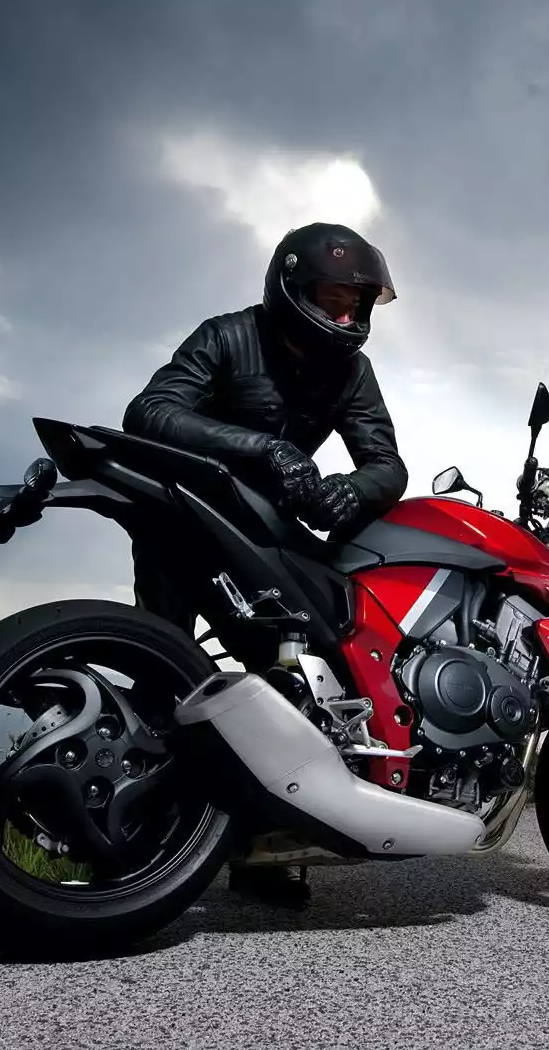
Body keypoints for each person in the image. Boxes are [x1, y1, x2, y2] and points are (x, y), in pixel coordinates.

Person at [121, 221, 410, 910]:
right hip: (184, 521)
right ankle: (136, 842)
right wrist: (260, 447)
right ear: (291, 287)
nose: (348, 317)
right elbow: (149, 411)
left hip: (269, 537)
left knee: (289, 685)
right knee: (162, 670)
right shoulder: (227, 336)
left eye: (357, 305)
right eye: (335, 299)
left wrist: (354, 489)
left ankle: (263, 846)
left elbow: (386, 462)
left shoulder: (351, 370)